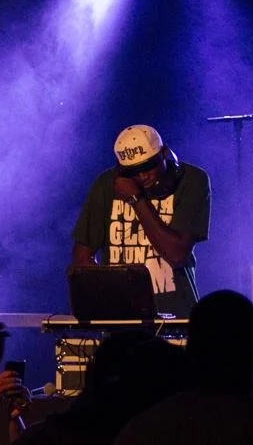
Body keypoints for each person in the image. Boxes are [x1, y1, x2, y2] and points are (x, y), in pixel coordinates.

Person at [72, 124, 211, 318]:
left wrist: (136, 200)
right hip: (120, 318)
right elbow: (82, 257)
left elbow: (177, 255)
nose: (143, 176)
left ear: (165, 154)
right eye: (133, 171)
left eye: (148, 166)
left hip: (176, 316)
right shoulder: (106, 185)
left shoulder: (192, 180)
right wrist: (106, 299)